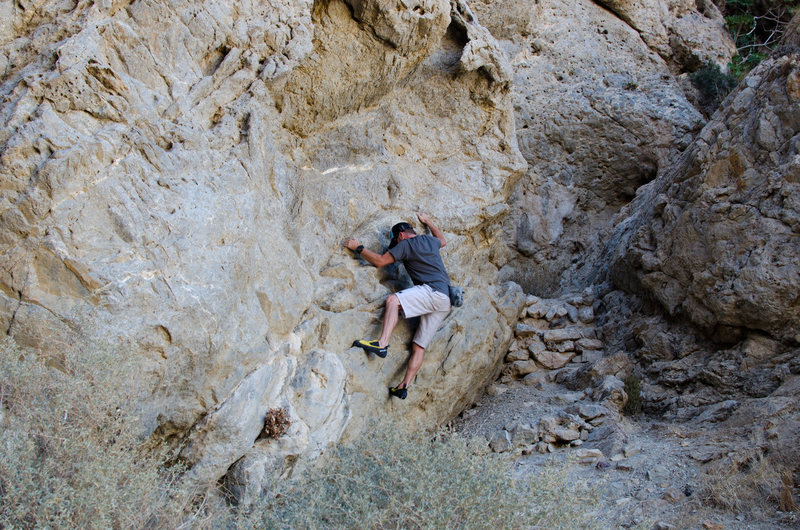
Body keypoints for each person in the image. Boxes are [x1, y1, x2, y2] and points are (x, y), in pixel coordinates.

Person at [343, 213, 451, 400]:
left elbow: (380, 261)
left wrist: (358, 247)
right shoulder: (429, 240)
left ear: (400, 236)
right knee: (419, 346)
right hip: (445, 300)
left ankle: (382, 344)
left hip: (431, 292)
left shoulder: (405, 245)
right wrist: (428, 222)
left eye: (395, 242)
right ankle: (404, 386)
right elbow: (442, 240)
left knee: (393, 300)